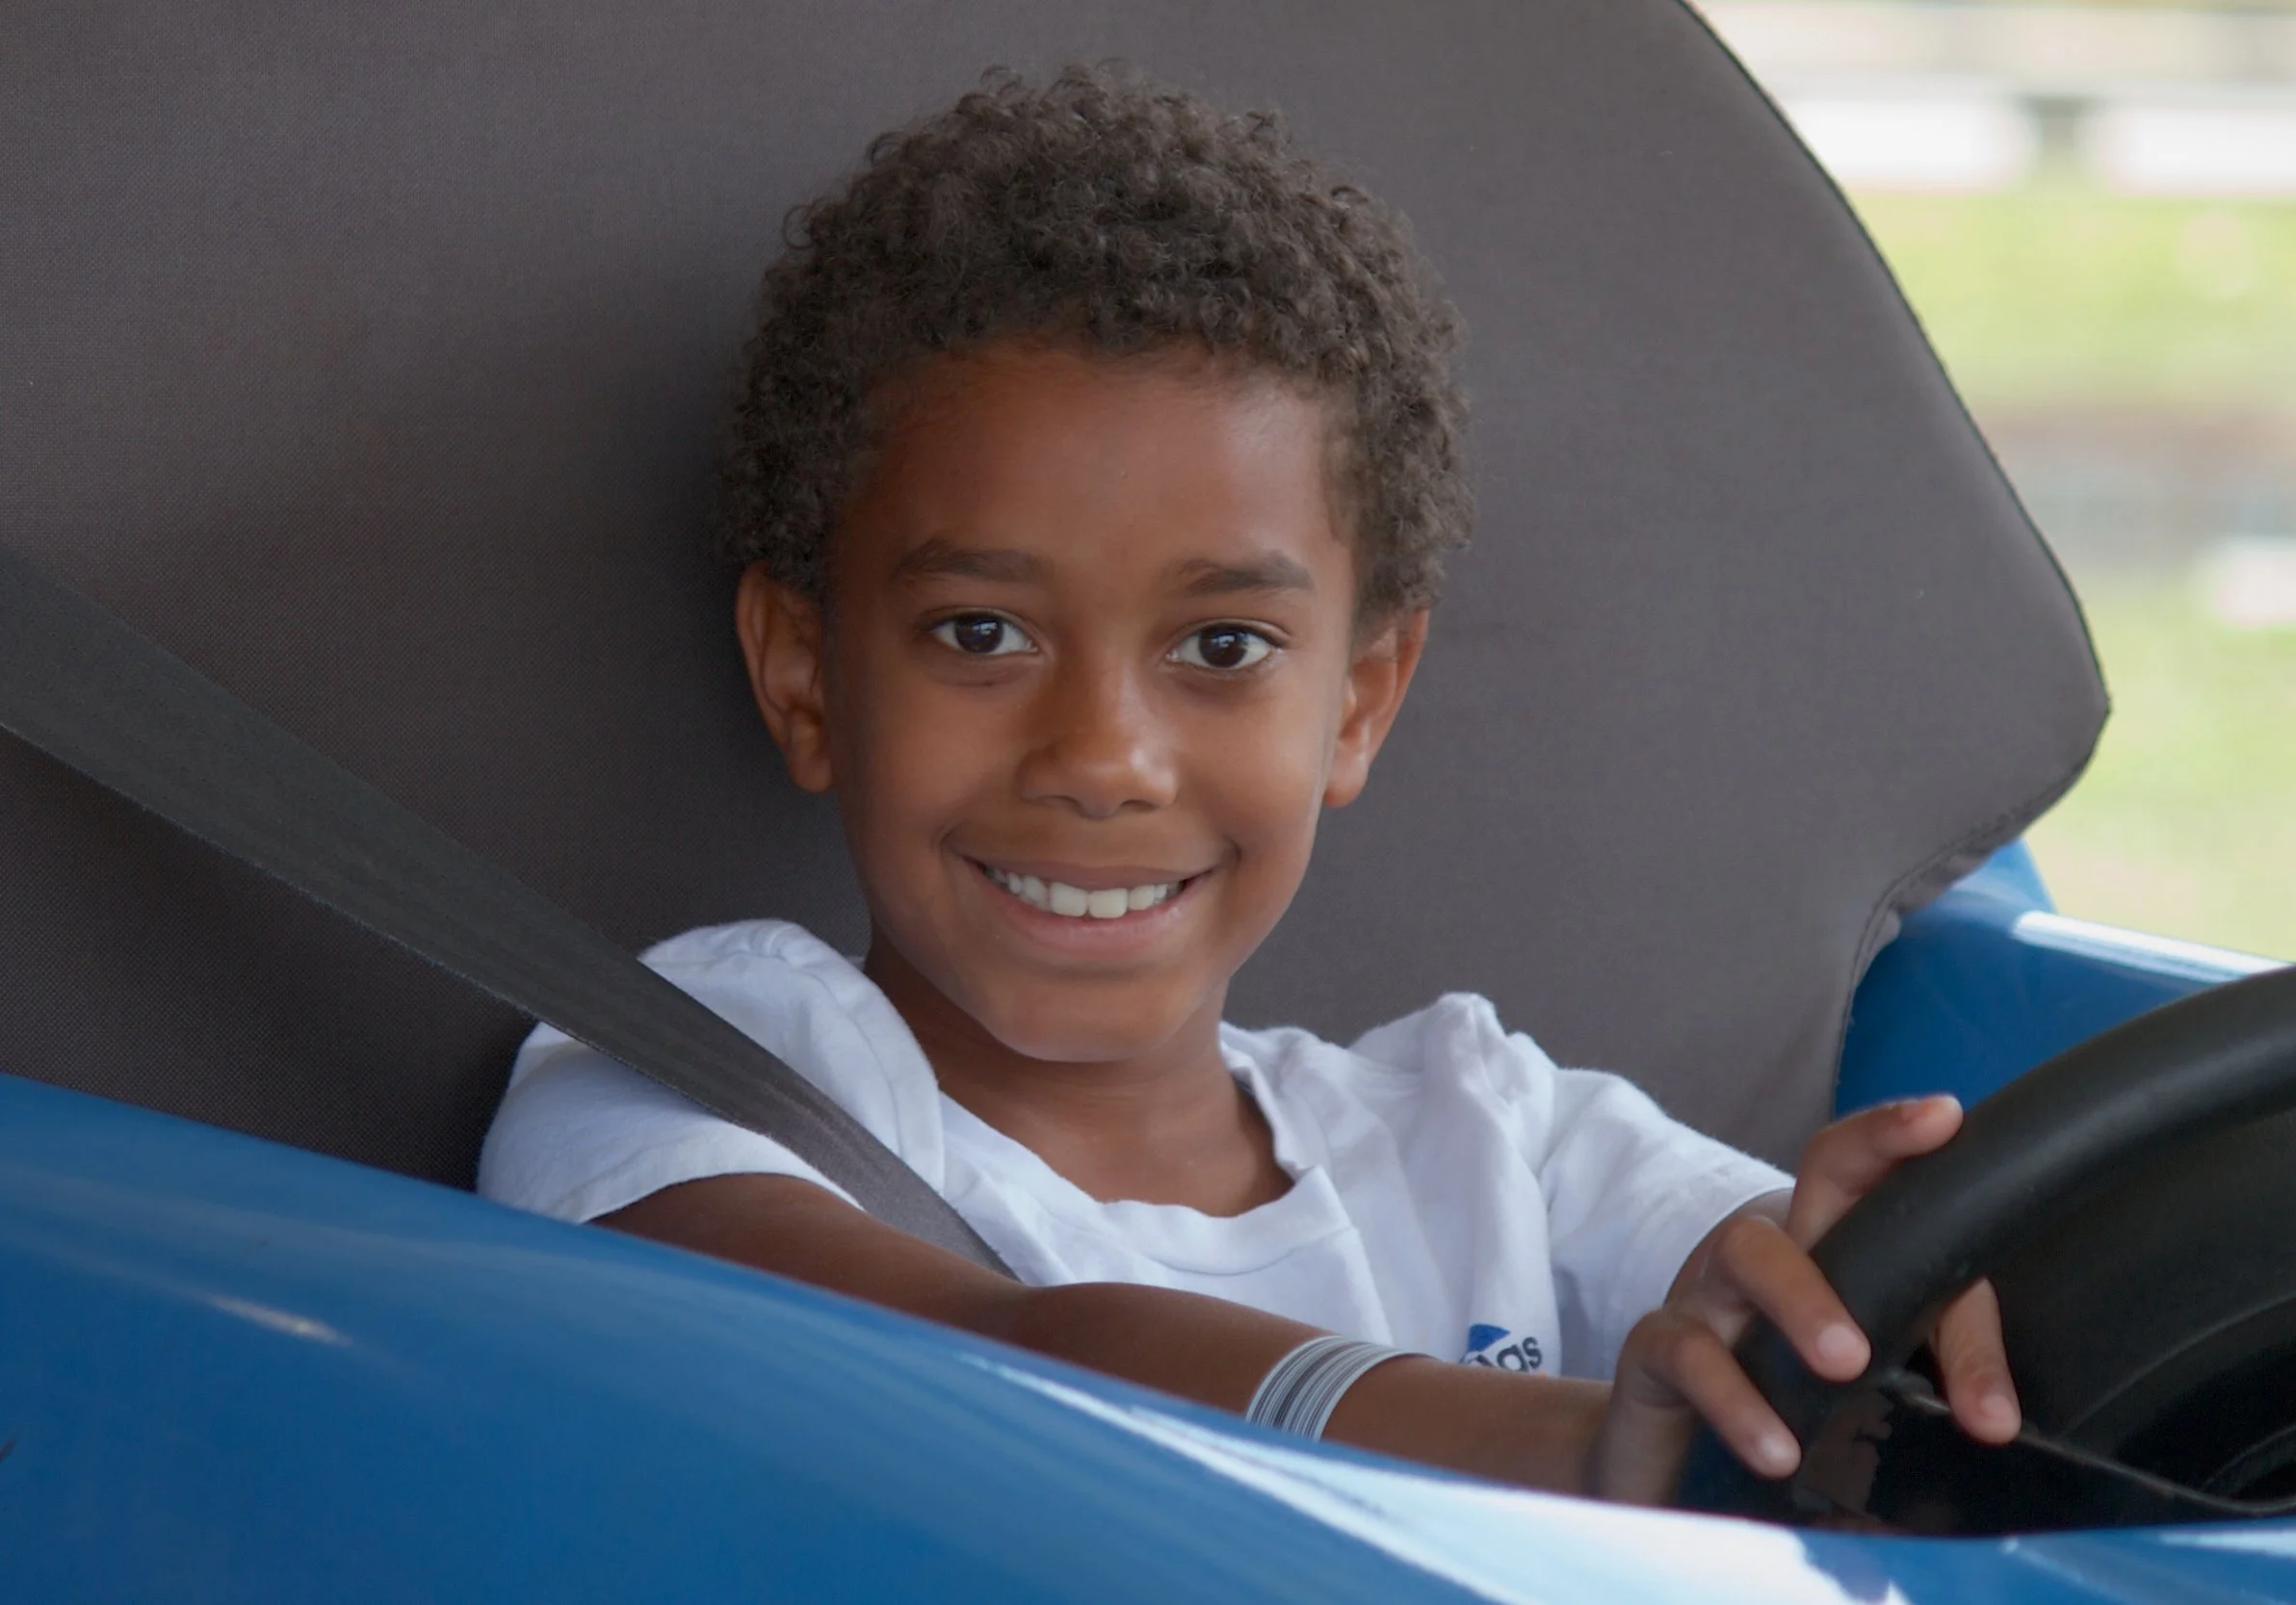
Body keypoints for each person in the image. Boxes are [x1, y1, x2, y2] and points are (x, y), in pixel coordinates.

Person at [478, 65, 2020, 1503]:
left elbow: (1778, 1286)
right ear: (805, 672)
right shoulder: (697, 1074)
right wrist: (1584, 1449)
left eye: (1221, 646)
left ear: (1359, 700)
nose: (1103, 758)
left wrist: (1874, 1299)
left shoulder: (1497, 1139)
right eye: (983, 632)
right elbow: (1003, 1354)